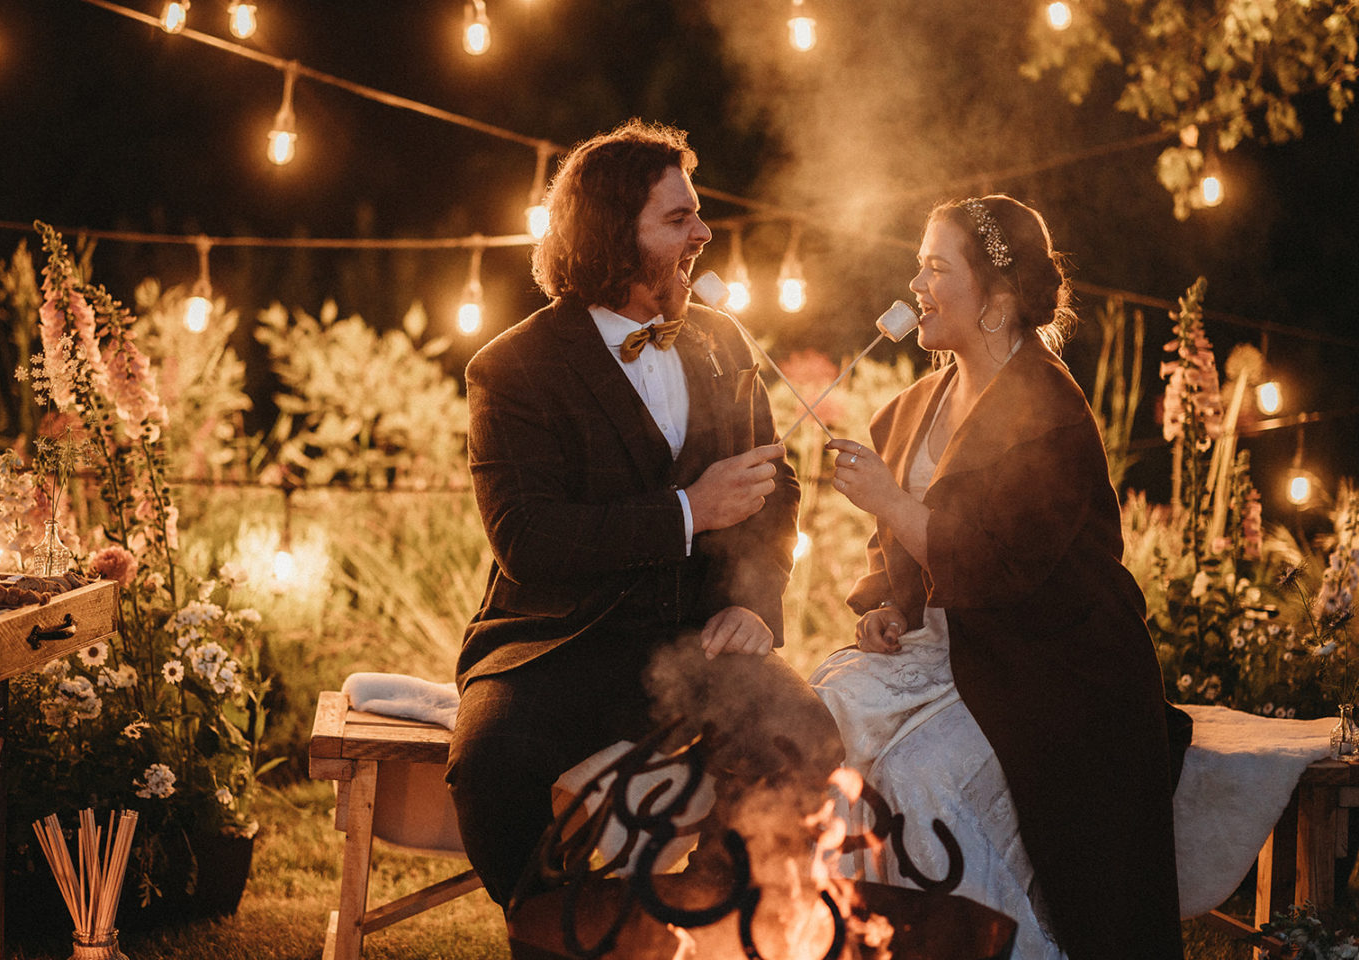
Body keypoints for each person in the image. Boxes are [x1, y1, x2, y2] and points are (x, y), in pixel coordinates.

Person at [446, 119, 845, 913]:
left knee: (805, 734)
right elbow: (528, 540)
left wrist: (755, 605)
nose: (703, 232)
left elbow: (779, 492)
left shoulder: (727, 343)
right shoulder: (511, 368)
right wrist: (687, 512)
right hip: (556, 644)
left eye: (696, 213)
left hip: (698, 640)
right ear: (609, 236)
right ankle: (562, 927)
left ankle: (709, 911)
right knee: (490, 767)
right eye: (677, 219)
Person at [813, 195, 1193, 960]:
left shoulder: (1049, 409)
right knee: (823, 721)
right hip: (954, 647)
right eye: (918, 264)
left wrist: (889, 495)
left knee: (918, 779)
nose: (915, 284)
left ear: (997, 302)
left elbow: (1001, 566)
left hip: (1050, 660)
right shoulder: (918, 402)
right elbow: (891, 546)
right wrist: (886, 602)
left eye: (935, 267)